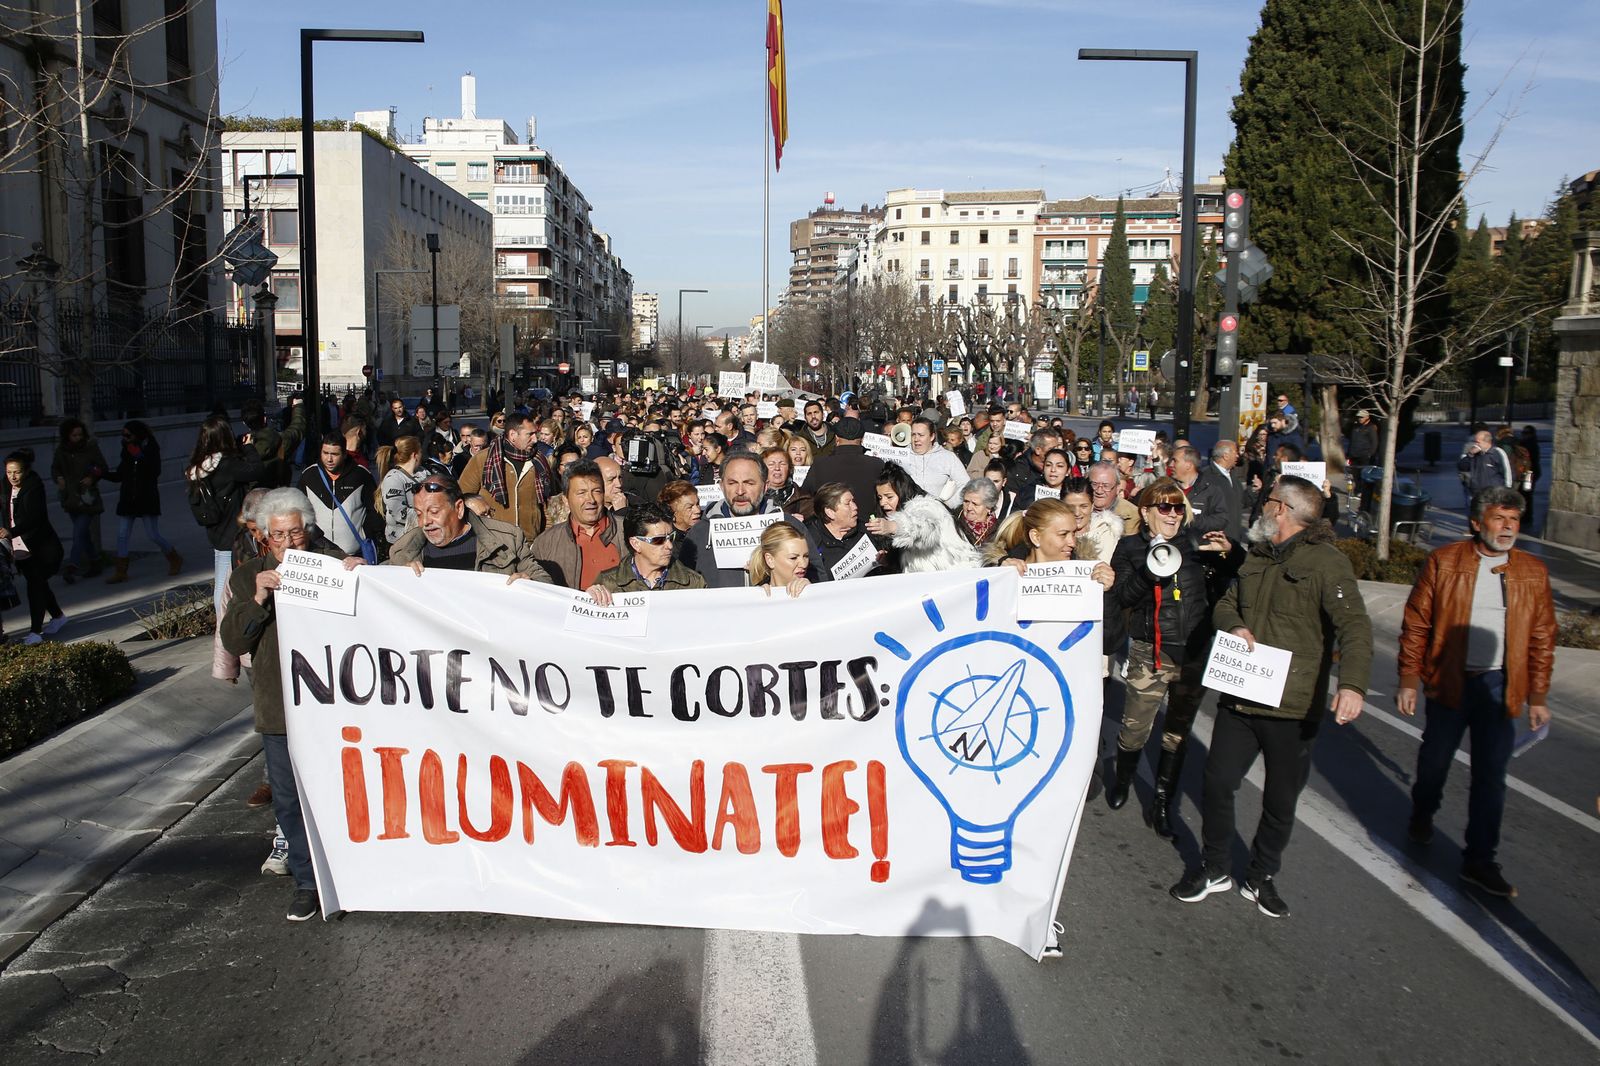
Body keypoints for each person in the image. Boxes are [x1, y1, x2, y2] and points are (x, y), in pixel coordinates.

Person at [1173, 475, 1372, 919]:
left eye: (1267, 501)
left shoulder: (1327, 563)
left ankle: (1261, 875)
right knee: (1217, 782)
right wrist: (1234, 625)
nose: (1261, 507)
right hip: (1241, 697)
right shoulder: (1258, 554)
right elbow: (1227, 603)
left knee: (1280, 802)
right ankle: (1215, 866)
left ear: (1281, 509)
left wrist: (1353, 685)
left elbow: (1355, 626)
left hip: (1292, 707)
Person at [1398, 486, 1556, 899]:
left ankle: (1480, 860)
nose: (1508, 528)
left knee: (1491, 776)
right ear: (1475, 523)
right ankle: (1423, 811)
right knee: (1434, 764)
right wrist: (1409, 680)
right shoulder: (1444, 562)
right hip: (1449, 680)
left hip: (1499, 685)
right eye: (1499, 519)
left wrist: (1538, 696)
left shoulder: (1532, 572)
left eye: (1514, 520)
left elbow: (1542, 636)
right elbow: (1417, 623)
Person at [219, 488, 344, 921]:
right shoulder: (247, 576)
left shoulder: (332, 566)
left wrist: (358, 575)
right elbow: (234, 641)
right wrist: (257, 598)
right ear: (263, 537)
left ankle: (347, 874)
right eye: (278, 535)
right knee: (288, 800)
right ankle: (308, 883)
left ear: (308, 531)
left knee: (337, 793)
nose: (288, 543)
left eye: (296, 533)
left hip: (331, 705)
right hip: (279, 709)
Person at [1106, 479, 1232, 834]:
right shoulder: (1130, 546)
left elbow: (1228, 584)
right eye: (1165, 507)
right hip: (1150, 651)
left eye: (1178, 507)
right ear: (1146, 512)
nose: (1173, 514)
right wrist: (1150, 570)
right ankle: (1123, 779)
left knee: (1177, 731)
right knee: (1135, 728)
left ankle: (1162, 801)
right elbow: (1124, 596)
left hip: (1193, 652)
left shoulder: (1193, 543)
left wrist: (1230, 554)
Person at [375, 474, 552, 581]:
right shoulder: (404, 549)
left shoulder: (507, 539)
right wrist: (395, 577)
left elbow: (543, 581)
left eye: (434, 512)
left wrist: (529, 583)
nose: (425, 522)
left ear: (459, 508)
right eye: (419, 514)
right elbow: (376, 584)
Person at [188, 416, 265, 615]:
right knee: (224, 585)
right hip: (230, 531)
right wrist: (248, 448)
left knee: (222, 576)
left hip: (215, 529)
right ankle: (223, 624)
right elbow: (256, 470)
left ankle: (222, 620)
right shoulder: (226, 465)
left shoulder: (200, 466)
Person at [681, 453, 793, 588]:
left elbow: (813, 576)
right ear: (722, 486)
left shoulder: (789, 528)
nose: (740, 491)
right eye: (732, 483)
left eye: (749, 483)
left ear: (765, 486)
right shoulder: (700, 533)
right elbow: (682, 585)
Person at [101, 420, 182, 582]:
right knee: (122, 534)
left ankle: (174, 557)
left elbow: (155, 472)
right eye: (123, 435)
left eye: (128, 435)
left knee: (153, 534)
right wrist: (101, 473)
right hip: (128, 498)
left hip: (146, 498)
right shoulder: (126, 450)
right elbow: (120, 475)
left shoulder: (151, 448)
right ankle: (121, 570)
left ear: (137, 434)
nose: (125, 439)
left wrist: (140, 456)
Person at [531, 460, 628, 589]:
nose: (591, 500)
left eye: (596, 491)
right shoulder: (546, 543)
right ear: (566, 500)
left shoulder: (628, 533)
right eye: (582, 493)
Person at [2, 449, 67, 643]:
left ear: (26, 471)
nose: (12, 476)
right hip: (20, 548)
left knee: (35, 585)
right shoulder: (5, 485)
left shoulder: (34, 487)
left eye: (17, 472)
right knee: (38, 583)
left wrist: (11, 532)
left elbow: (34, 519)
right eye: (9, 472)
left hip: (42, 548)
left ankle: (35, 632)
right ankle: (58, 617)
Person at [458, 412, 550, 541]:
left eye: (536, 434)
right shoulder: (483, 459)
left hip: (530, 542)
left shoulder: (540, 462)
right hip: (494, 543)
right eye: (530, 434)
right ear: (513, 435)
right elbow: (461, 497)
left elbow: (548, 506)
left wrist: (545, 539)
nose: (535, 439)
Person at [586, 503, 705, 600]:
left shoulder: (694, 583)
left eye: (671, 537)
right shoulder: (607, 583)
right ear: (635, 544)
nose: (669, 545)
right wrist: (589, 599)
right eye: (659, 540)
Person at [296, 432, 381, 562]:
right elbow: (297, 510)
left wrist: (366, 533)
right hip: (319, 553)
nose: (329, 459)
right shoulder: (309, 475)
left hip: (353, 554)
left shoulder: (361, 475)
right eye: (325, 453)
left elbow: (375, 509)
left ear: (345, 454)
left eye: (335, 454)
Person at [50, 418, 108, 582]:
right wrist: (59, 478)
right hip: (70, 498)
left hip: (87, 498)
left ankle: (72, 566)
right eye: (74, 435)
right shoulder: (62, 450)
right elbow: (55, 468)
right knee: (83, 534)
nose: (78, 438)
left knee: (78, 532)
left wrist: (92, 477)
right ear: (67, 436)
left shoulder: (90, 447)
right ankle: (95, 561)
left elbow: (102, 467)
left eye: (80, 435)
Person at [802, 417, 884, 525]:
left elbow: (804, 497)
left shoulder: (820, 464)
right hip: (870, 527)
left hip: (830, 528)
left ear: (836, 438)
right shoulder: (877, 464)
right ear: (862, 439)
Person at [801, 482, 861, 579]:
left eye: (853, 501)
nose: (855, 507)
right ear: (830, 512)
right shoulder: (809, 539)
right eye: (847, 503)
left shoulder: (867, 529)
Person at [376, 436, 427, 544]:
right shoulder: (394, 478)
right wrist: (431, 516)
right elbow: (400, 513)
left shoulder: (424, 473)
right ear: (415, 455)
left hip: (423, 536)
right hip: (402, 541)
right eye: (421, 452)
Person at [747, 521, 811, 598]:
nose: (803, 564)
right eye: (793, 558)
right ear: (770, 560)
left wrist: (812, 592)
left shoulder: (816, 591)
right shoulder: (753, 598)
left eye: (806, 556)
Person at [1089, 460, 1142, 537]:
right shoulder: (1076, 509)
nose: (1099, 491)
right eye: (1094, 484)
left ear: (1117, 488)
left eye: (1106, 486)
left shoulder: (1133, 516)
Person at [955, 477, 1003, 550]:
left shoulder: (999, 530)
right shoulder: (953, 520)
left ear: (988, 507)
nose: (969, 508)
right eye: (966, 501)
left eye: (975, 504)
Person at [1347, 409, 1378, 483]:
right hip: (1354, 455)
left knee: (1365, 476)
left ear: (1367, 417)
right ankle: (1357, 488)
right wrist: (1349, 454)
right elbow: (1352, 441)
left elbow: (1374, 442)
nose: (1360, 419)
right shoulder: (1356, 427)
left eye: (1362, 417)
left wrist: (1370, 454)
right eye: (1359, 417)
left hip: (1365, 456)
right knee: (1355, 475)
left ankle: (1364, 489)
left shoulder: (1371, 427)